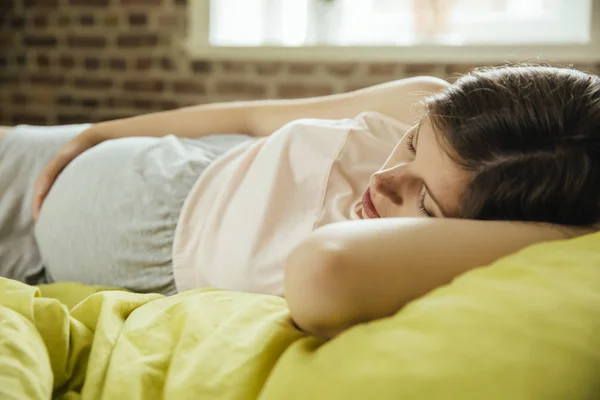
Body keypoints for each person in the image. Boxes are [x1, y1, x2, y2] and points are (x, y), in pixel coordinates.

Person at [0, 65, 598, 339]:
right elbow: (250, 116)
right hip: (92, 159)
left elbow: (321, 273)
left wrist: (569, 233)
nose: (386, 181)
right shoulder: (420, 100)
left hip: (60, 256)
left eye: (427, 205)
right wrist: (101, 131)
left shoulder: (378, 265)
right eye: (412, 146)